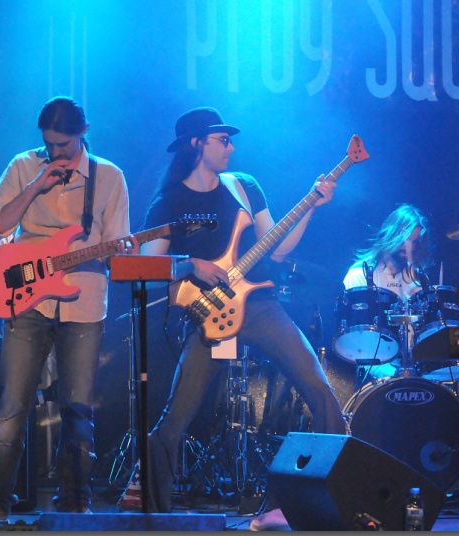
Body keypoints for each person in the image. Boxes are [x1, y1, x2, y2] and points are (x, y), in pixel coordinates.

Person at [122, 107, 347, 522]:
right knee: (175, 419)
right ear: (196, 144)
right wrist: (190, 264)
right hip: (211, 316)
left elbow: (277, 249)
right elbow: (145, 267)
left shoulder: (243, 186)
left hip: (260, 306)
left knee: (320, 389)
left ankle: (320, 501)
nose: (231, 147)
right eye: (222, 140)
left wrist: (313, 205)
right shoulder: (169, 203)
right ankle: (154, 514)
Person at [0, 96, 136, 524]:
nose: (55, 152)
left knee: (78, 411)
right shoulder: (24, 165)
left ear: (83, 134)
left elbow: (117, 246)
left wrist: (119, 252)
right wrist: (35, 187)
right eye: (49, 144)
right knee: (12, 406)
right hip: (25, 297)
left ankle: (75, 506)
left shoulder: (109, 176)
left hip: (83, 300)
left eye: (63, 144)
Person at [341, 203, 431, 385]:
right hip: (372, 360)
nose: (409, 248)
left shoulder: (418, 278)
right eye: (406, 240)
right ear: (391, 234)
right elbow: (355, 341)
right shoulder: (359, 274)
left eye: (415, 242)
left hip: (414, 361)